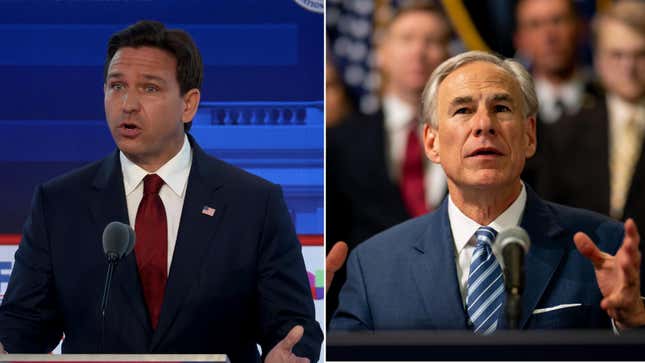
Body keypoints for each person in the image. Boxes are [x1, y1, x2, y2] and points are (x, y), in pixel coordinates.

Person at [0, 21, 322, 362]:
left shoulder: (254, 203)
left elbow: (292, 326)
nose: (128, 104)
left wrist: (290, 354)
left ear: (189, 104)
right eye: (116, 86)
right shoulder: (60, 203)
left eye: (149, 89)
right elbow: (24, 325)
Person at [329, 50, 645, 332]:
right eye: (463, 110)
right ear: (431, 142)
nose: (484, 124)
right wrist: (306, 315)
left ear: (529, 135)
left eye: (502, 108)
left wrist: (633, 322)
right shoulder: (374, 266)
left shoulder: (604, 246)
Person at [326, 2, 451, 323]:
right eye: (407, 39)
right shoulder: (340, 141)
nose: (419, 52)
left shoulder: (473, 138)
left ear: (449, 56)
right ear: (381, 53)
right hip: (368, 319)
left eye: (432, 41)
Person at [539, 0, 645, 229]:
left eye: (640, 54)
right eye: (617, 55)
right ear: (598, 59)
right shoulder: (562, 132)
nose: (629, 68)